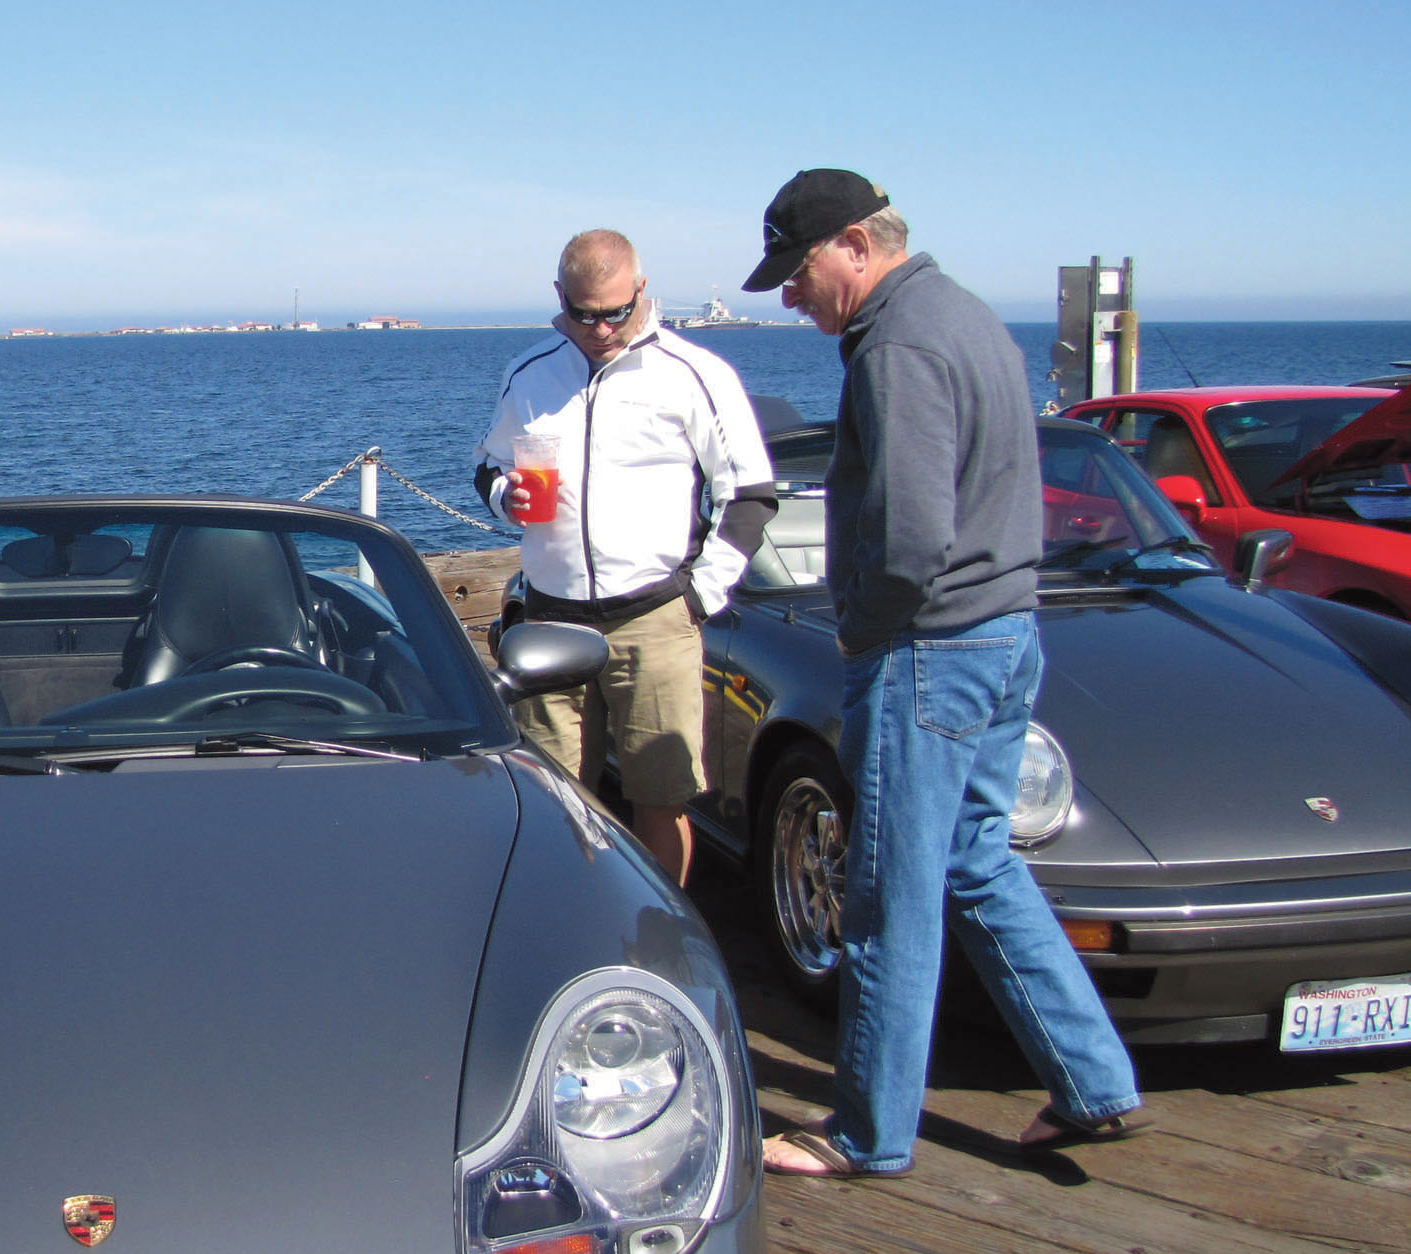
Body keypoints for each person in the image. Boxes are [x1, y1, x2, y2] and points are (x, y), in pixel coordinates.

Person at [740, 170, 1147, 1176]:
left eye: (797, 273)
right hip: (1005, 631)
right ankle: (1094, 1082)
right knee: (977, 858)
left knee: (889, 892)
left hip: (928, 646)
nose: (792, 296)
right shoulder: (965, 316)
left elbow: (913, 534)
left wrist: (862, 629)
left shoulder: (898, 345)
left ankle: (868, 1130)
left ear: (852, 246)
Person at [474, 230, 777, 883]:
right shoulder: (529, 372)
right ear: (560, 300)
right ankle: (573, 933)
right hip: (551, 617)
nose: (602, 328)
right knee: (554, 798)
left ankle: (658, 943)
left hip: (655, 618)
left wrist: (700, 595)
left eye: (615, 311)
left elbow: (749, 495)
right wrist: (506, 499)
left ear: (642, 291)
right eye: (584, 314)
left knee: (660, 799)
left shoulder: (694, 374)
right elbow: (490, 465)